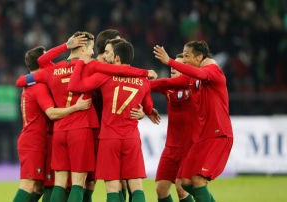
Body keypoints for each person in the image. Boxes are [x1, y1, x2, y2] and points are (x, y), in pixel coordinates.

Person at [15, 31, 157, 202]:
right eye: (90, 48)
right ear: (84, 48)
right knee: (84, 183)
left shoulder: (53, 70)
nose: (92, 52)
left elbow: (23, 80)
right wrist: (145, 74)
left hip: (60, 130)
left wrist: (65, 46)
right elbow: (119, 71)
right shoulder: (92, 68)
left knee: (59, 183)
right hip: (87, 131)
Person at [68, 38, 160, 202]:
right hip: (131, 137)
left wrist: (81, 63)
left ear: (117, 58)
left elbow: (75, 86)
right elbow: (147, 107)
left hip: (109, 138)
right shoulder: (143, 81)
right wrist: (146, 113)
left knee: (112, 187)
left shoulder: (105, 77)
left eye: (110, 54)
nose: (106, 56)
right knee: (136, 185)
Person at [153, 41, 233, 202]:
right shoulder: (191, 79)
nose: (185, 60)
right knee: (186, 182)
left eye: (187, 56)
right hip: (203, 138)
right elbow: (166, 83)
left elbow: (203, 75)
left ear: (199, 57)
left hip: (218, 134)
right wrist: (136, 81)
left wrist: (170, 61)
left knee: (197, 180)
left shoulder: (213, 70)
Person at [13, 45, 92, 202]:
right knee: (29, 184)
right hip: (33, 142)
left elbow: (21, 80)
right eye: (47, 56)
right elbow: (51, 113)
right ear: (40, 61)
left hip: (41, 140)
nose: (51, 59)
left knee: (41, 186)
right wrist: (76, 107)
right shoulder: (38, 87)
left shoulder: (32, 83)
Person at [149, 54, 197, 202]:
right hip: (171, 147)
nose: (173, 68)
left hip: (189, 146)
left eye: (178, 66)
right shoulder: (168, 87)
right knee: (161, 190)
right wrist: (147, 108)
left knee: (180, 187)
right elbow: (147, 87)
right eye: (172, 66)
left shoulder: (194, 85)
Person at [0, 72, 19, 165]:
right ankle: (11, 160)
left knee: (4, 141)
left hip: (3, 118)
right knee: (2, 141)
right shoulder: (13, 91)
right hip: (6, 119)